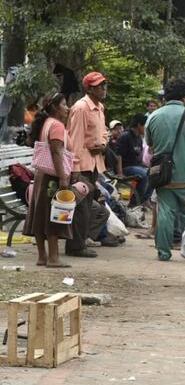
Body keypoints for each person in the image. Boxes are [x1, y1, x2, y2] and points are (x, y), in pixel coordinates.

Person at [145, 79, 185, 261]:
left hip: (163, 176)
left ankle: (163, 252)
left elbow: (149, 144)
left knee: (165, 212)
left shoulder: (153, 117)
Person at [23, 92, 73, 267]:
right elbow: (56, 152)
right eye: (64, 104)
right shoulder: (57, 125)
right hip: (53, 176)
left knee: (40, 214)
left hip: (41, 175)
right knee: (54, 214)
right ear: (55, 107)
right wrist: (63, 178)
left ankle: (42, 256)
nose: (67, 108)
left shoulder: (46, 123)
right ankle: (53, 257)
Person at [65, 72, 109, 258]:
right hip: (81, 165)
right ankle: (75, 246)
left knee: (88, 206)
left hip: (94, 164)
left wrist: (103, 145)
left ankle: (80, 243)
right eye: (100, 86)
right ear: (89, 88)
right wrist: (74, 169)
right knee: (81, 208)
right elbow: (74, 140)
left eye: (105, 85)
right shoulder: (81, 108)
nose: (104, 88)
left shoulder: (99, 108)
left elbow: (103, 133)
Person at [117, 113, 151, 204]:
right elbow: (118, 155)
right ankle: (134, 203)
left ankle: (141, 201)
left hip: (136, 166)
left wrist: (150, 167)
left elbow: (139, 159)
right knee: (144, 175)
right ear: (139, 125)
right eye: (145, 126)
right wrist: (120, 173)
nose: (147, 129)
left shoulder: (139, 138)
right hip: (125, 167)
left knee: (154, 174)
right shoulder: (125, 137)